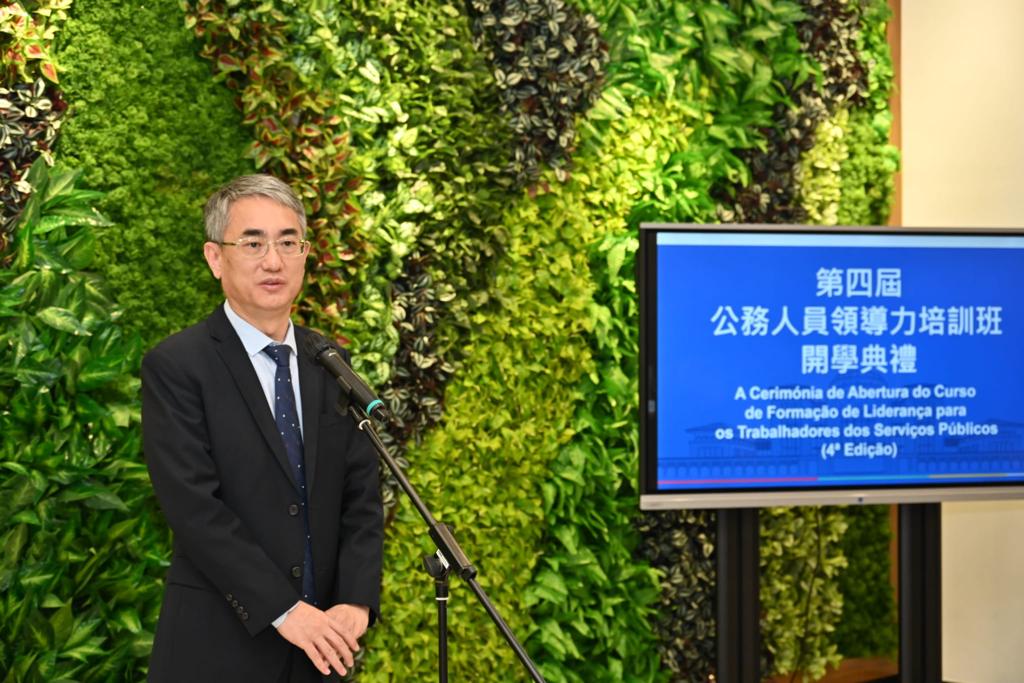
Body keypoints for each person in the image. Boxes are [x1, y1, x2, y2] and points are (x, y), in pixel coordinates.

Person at [142, 174, 383, 682]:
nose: (274, 261)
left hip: (321, 650)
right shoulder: (178, 366)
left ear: (305, 255)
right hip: (216, 650)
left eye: (288, 243)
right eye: (253, 243)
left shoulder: (329, 362)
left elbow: (362, 496)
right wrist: (285, 610)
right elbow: (194, 509)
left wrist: (356, 600)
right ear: (215, 258)